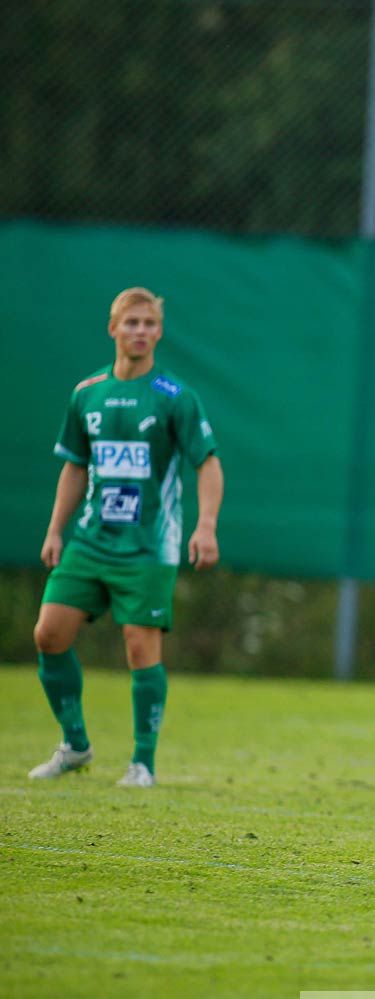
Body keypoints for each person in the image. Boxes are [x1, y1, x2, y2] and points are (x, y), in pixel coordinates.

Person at [29, 287, 223, 789]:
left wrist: (205, 525)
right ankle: (75, 744)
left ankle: (142, 763)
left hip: (148, 546)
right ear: (112, 327)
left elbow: (208, 462)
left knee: (140, 647)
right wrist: (55, 530)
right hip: (91, 541)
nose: (141, 331)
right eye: (131, 322)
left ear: (159, 332)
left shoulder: (175, 396)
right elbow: (75, 467)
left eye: (149, 324)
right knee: (49, 634)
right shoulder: (86, 393)